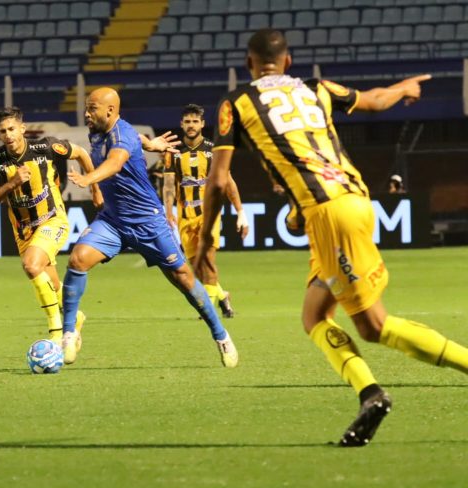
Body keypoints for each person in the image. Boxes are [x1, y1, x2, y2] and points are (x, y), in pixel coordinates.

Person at [202, 28, 468, 447]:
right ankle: (369, 394)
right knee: (314, 315)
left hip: (332, 215)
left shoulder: (235, 104)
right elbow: (374, 100)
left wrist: (204, 242)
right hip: (354, 201)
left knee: (374, 325)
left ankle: (386, 390)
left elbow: (218, 181)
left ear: (249, 63)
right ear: (288, 61)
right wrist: (403, 88)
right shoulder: (318, 88)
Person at [62, 87, 239, 367]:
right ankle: (68, 333)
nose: (86, 113)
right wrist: (150, 144)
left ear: (110, 110)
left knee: (183, 278)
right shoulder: (99, 131)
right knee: (77, 259)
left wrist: (89, 179)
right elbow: (136, 138)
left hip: (148, 221)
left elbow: (115, 162)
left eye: (92, 108)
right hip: (113, 221)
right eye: (86, 108)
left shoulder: (121, 134)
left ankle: (221, 335)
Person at [0, 106, 97, 342]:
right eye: (3, 131)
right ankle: (76, 318)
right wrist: (12, 183)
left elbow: (82, 153)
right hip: (23, 230)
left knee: (31, 265)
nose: (8, 135)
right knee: (51, 284)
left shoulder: (46, 147)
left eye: (12, 129)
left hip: (53, 218)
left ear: (22, 129)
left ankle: (56, 332)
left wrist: (95, 187)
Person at [162, 104, 249, 318]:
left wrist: (240, 212)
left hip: (209, 215)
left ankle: (208, 310)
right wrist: (168, 211)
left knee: (208, 260)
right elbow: (169, 184)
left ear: (202, 124)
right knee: (198, 267)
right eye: (187, 122)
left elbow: (228, 181)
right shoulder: (173, 152)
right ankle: (222, 295)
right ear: (182, 124)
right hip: (185, 217)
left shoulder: (213, 150)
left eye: (195, 121)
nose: (191, 125)